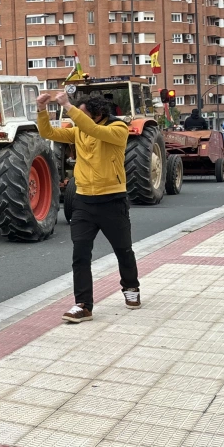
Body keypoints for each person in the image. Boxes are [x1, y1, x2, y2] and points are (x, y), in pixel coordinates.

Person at [36, 91, 140, 323]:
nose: (76, 118)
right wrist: (41, 110)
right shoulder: (79, 130)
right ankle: (83, 305)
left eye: (82, 114)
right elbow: (48, 132)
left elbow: (94, 130)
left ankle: (131, 288)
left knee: (123, 250)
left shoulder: (118, 129)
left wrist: (68, 106)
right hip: (83, 201)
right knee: (80, 255)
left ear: (98, 114)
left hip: (112, 200)